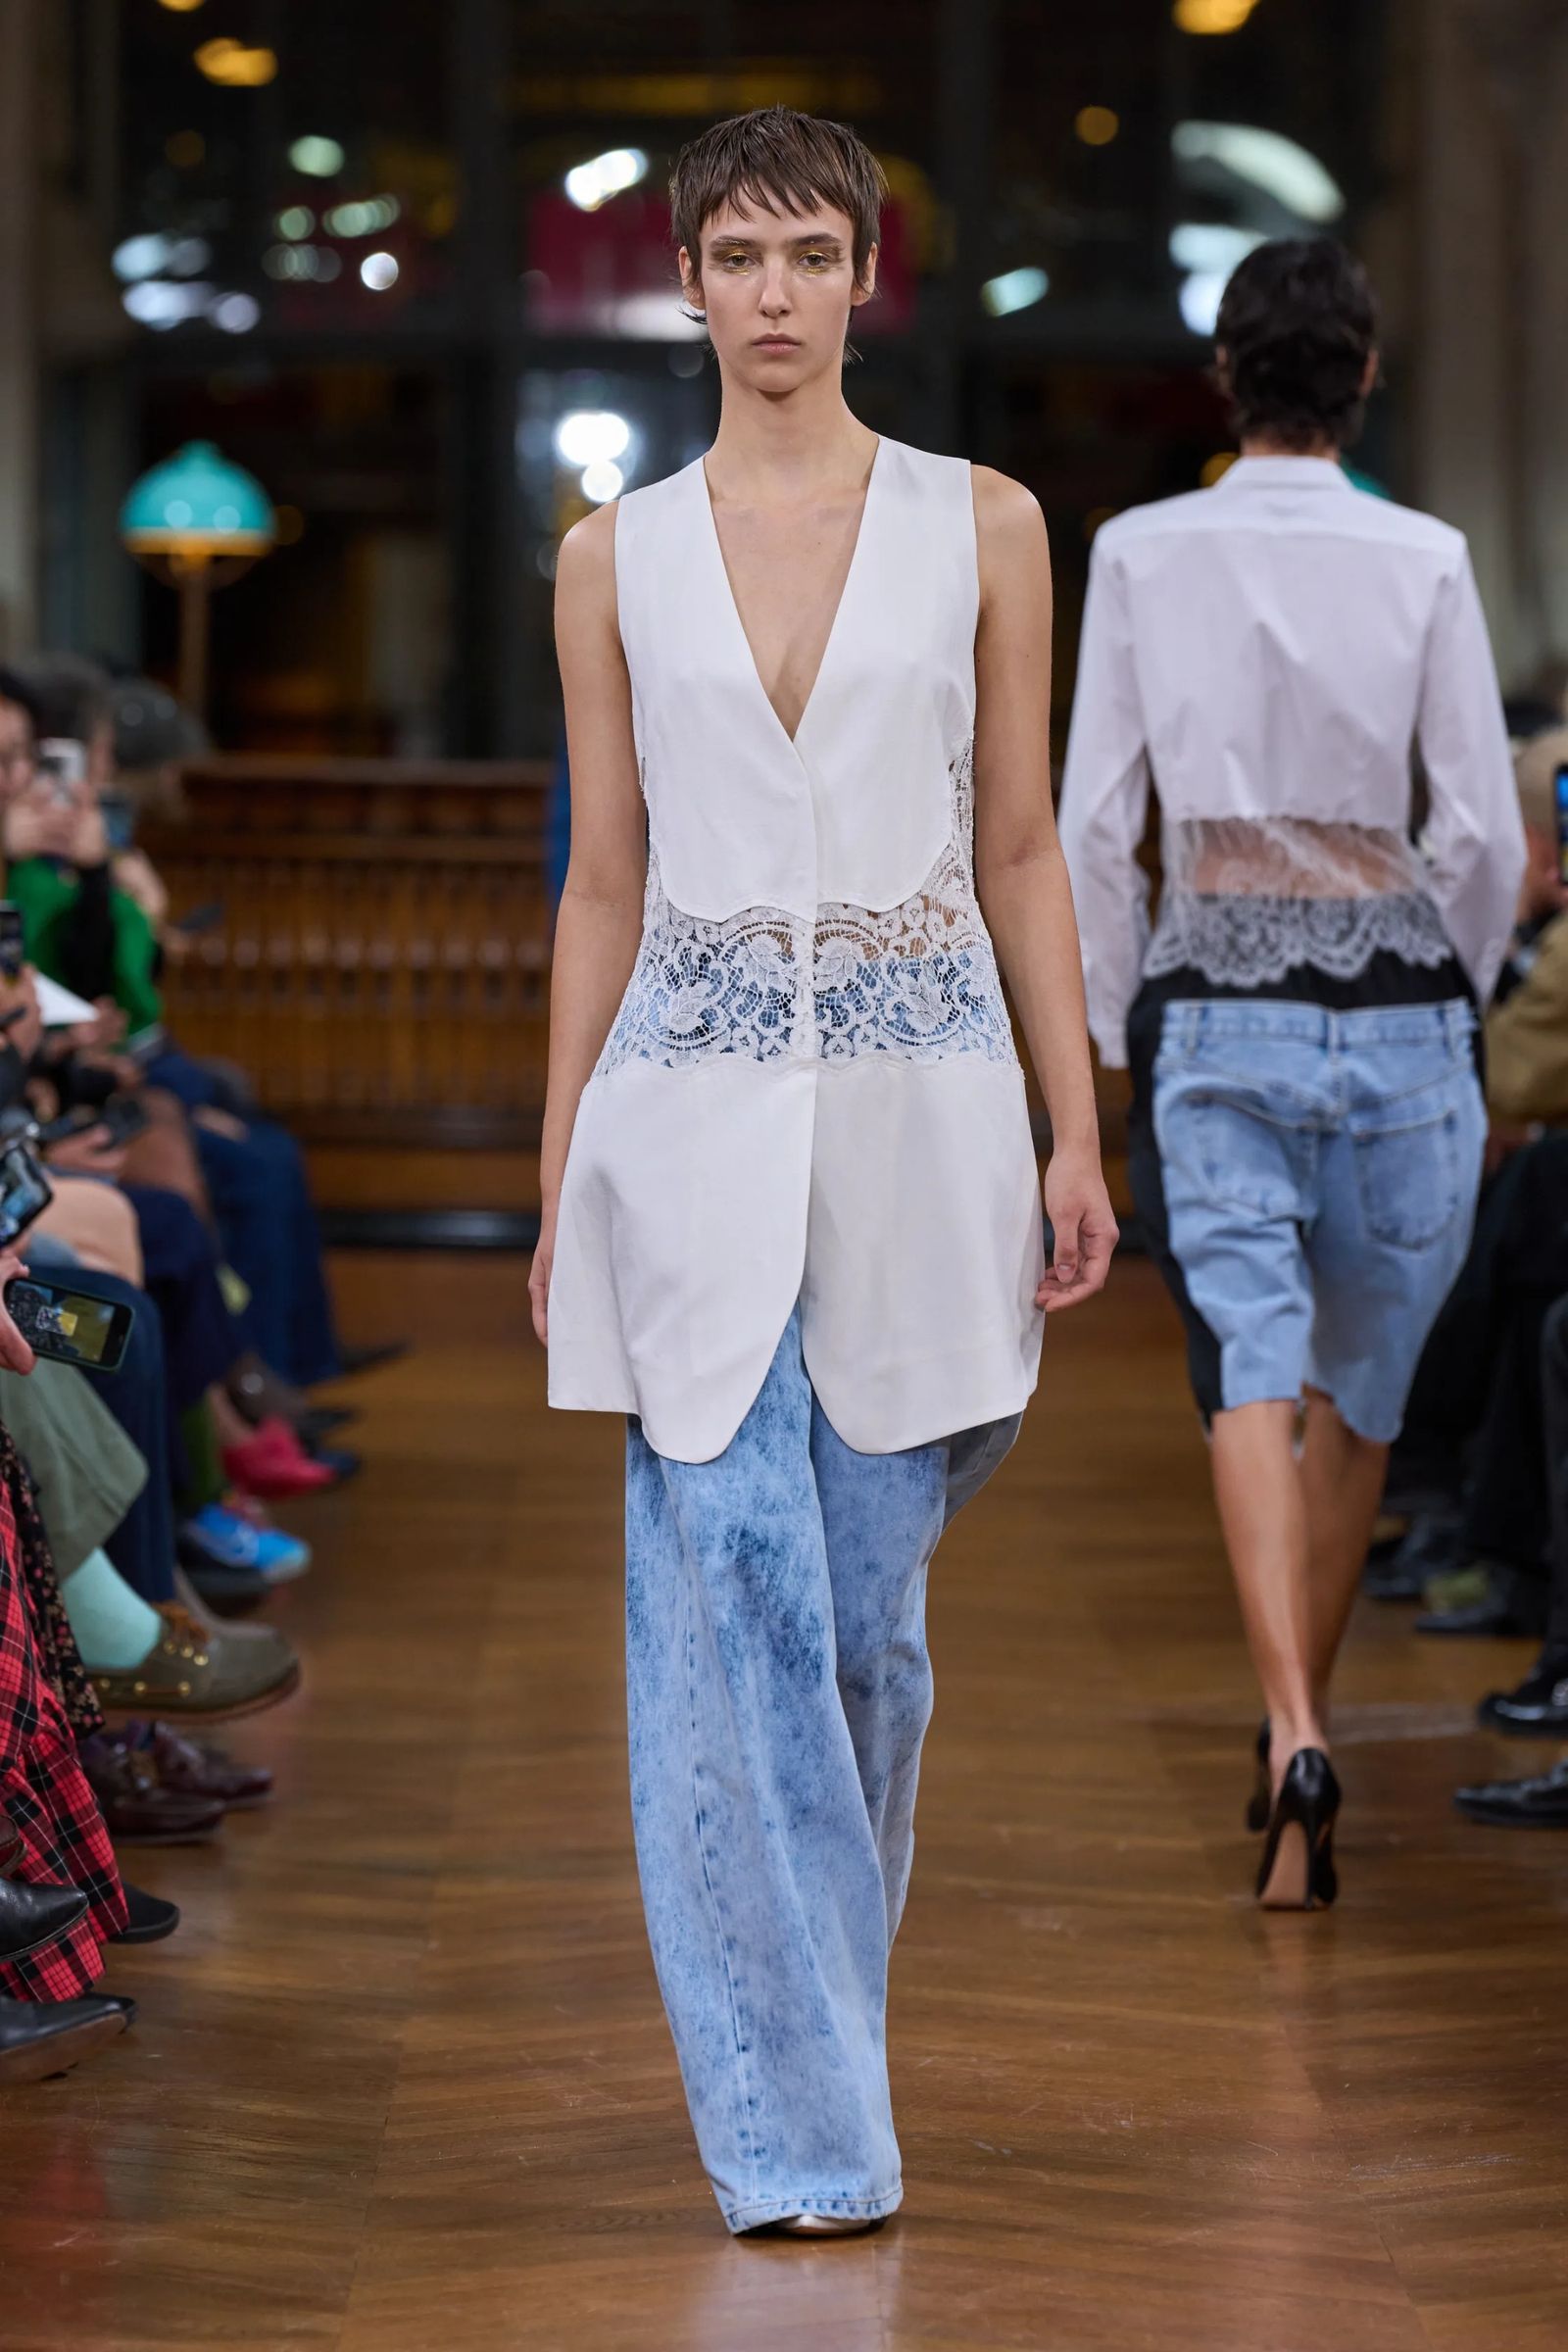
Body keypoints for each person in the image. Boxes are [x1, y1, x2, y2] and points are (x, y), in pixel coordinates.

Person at [533, 106, 1115, 2237]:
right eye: (735, 257)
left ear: (868, 275)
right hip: (681, 1131)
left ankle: (815, 2048)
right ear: (684, 283)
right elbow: (603, 884)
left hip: (922, 1123)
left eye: (807, 254)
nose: (770, 294)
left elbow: (1021, 846)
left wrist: (1074, 1121)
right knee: (737, 1608)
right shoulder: (611, 557)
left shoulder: (986, 525)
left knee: (861, 1636)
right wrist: (556, 1172)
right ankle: (799, 2139)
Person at [1058, 236, 1525, 1910]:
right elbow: (1481, 827)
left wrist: (1110, 1038)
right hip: (1404, 1015)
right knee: (1363, 1407)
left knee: (1247, 1373)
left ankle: (1296, 1729)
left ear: (1226, 378)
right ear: (1367, 375)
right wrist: (1444, 983)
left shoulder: (1138, 551)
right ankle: (1292, 1741)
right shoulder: (1427, 556)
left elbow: (1094, 827)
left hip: (1214, 1007)